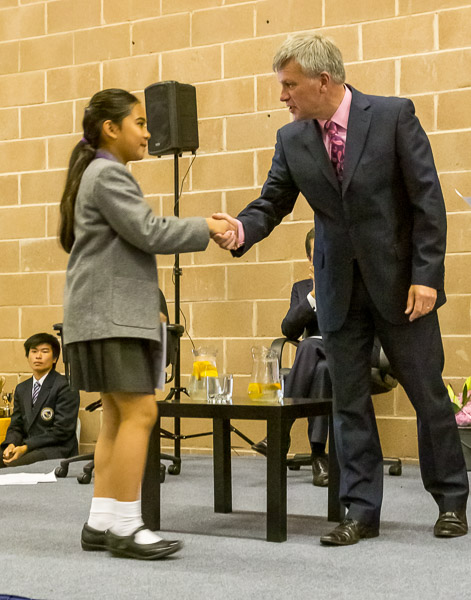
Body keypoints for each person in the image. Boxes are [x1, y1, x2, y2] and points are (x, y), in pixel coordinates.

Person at [212, 33, 469, 545]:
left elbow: (428, 203)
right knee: (348, 401)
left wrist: (427, 277)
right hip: (337, 291)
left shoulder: (394, 116)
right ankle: (360, 511)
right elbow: (273, 201)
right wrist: (241, 230)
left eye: (289, 85)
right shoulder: (292, 139)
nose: (282, 96)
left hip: (402, 288)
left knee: (429, 397)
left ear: (322, 80)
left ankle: (450, 502)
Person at [59, 88, 234, 560]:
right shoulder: (110, 173)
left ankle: (102, 520)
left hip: (97, 315)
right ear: (110, 129)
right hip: (111, 318)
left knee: (117, 416)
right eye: (139, 122)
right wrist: (208, 226)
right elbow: (149, 231)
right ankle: (129, 526)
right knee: (141, 413)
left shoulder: (93, 173)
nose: (148, 131)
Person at [252, 227, 330, 486]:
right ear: (309, 259)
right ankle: (319, 457)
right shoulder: (302, 288)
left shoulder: (352, 281)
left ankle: (279, 433)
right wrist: (314, 296)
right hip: (320, 360)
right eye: (314, 254)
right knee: (319, 369)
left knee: (307, 346)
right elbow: (288, 329)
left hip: (345, 348)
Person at [1, 333, 80, 468]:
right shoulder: (22, 388)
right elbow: (16, 425)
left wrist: (26, 447)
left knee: (15, 465)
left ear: (55, 358)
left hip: (55, 448)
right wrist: (11, 444)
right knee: (5, 458)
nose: (38, 356)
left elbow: (61, 431)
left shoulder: (65, 386)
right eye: (33, 351)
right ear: (27, 356)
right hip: (27, 446)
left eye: (44, 351)